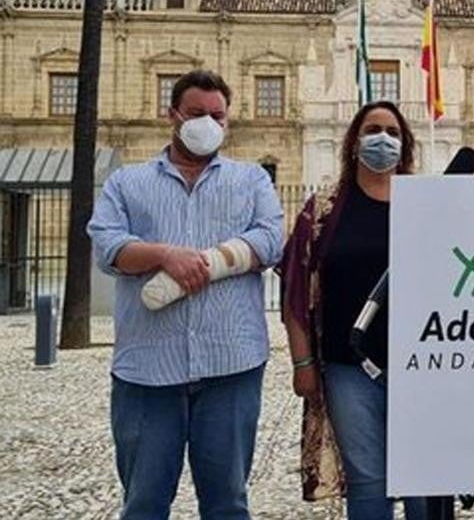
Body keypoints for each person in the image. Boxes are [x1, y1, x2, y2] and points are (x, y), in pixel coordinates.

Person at [87, 69, 284, 519]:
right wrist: (164, 256)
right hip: (147, 372)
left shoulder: (252, 180)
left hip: (230, 366)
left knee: (228, 504)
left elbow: (272, 240)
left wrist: (215, 261)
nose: (208, 124)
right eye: (197, 113)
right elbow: (108, 246)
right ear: (171, 114)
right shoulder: (127, 183)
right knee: (143, 503)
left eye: (218, 115)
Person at [279, 100, 438, 520]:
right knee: (367, 481)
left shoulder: (430, 206)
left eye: (392, 131)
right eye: (372, 130)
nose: (382, 138)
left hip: (421, 366)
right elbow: (295, 290)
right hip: (347, 367)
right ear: (354, 142)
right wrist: (303, 363)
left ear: (404, 147)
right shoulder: (323, 211)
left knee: (425, 481)